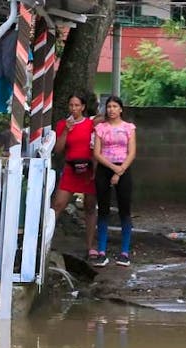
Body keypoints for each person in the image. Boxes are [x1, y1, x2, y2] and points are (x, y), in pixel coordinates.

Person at [52, 93, 98, 259]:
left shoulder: (91, 124)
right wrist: (66, 130)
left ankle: (91, 246)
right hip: (71, 168)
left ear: (83, 107)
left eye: (77, 105)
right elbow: (58, 150)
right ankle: (45, 242)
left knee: (90, 207)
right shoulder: (62, 124)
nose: (74, 109)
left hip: (88, 169)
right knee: (58, 204)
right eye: (71, 105)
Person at [92, 96, 136, 267]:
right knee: (103, 209)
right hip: (104, 167)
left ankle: (124, 252)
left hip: (123, 168)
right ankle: (101, 251)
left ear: (121, 109)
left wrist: (120, 170)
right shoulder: (100, 128)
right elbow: (97, 152)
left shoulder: (129, 128)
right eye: (108, 106)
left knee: (124, 210)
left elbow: (131, 152)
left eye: (115, 106)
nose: (111, 109)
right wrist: (112, 168)